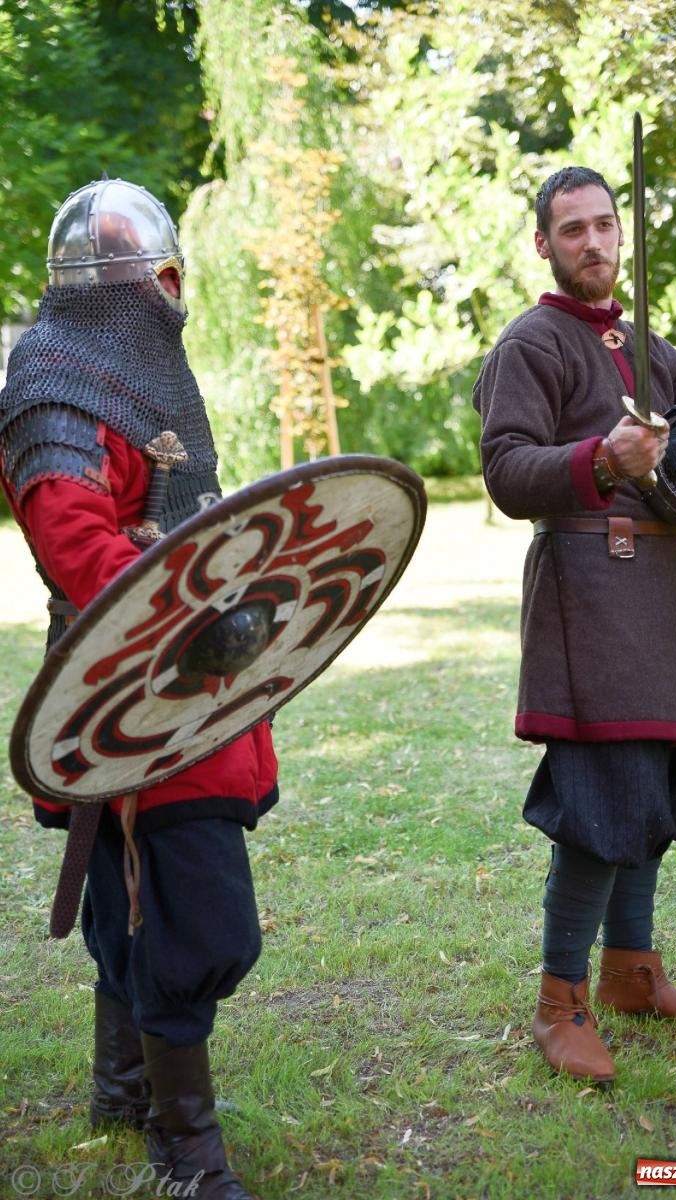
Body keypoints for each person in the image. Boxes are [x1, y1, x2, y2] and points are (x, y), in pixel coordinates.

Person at [472, 166, 676, 1087]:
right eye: (571, 229)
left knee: (656, 788)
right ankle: (559, 1001)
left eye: (604, 225)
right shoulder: (528, 346)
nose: (594, 243)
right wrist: (596, 459)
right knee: (601, 800)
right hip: (586, 592)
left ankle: (632, 973)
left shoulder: (649, 345)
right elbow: (503, 471)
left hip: (664, 590)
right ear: (543, 244)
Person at [0, 178, 278, 1197]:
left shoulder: (144, 370)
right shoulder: (52, 383)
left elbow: (184, 513)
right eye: (162, 272)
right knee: (199, 924)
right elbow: (75, 542)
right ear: (120, 281)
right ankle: (185, 1149)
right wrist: (188, 590)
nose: (176, 290)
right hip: (122, 690)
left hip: (189, 677)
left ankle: (124, 1089)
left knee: (144, 903)